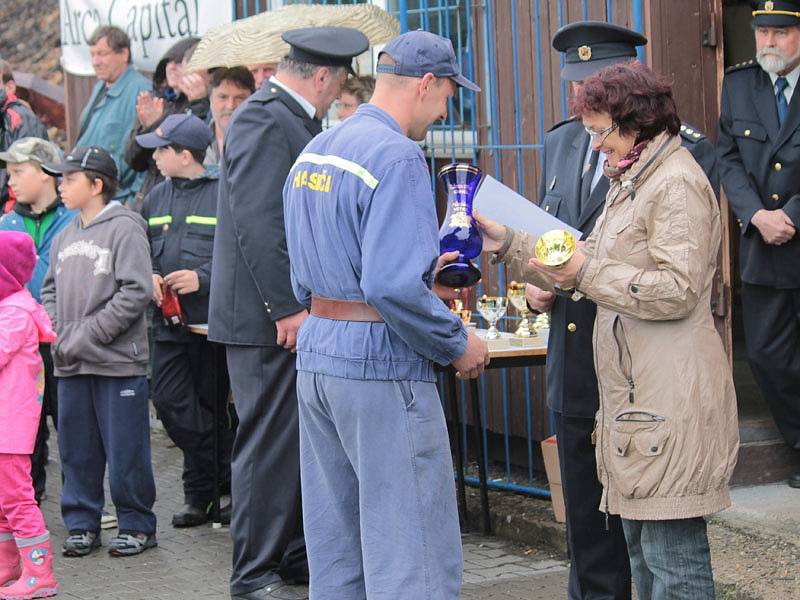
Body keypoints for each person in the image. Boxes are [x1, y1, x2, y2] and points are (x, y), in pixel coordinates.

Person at [482, 21, 720, 600]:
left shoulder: (674, 175)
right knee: (626, 544)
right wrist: (515, 244)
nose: (590, 142)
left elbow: (675, 286)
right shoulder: (626, 168)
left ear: (631, 115)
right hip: (614, 375)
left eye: (600, 127)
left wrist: (580, 274)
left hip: (656, 385)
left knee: (670, 557)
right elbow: (578, 247)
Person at [283, 30, 488, 600]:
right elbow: (390, 286)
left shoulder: (317, 150)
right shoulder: (398, 155)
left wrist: (420, 277)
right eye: (448, 94)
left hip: (320, 355)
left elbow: (304, 275)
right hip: (380, 366)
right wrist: (455, 341)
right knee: (411, 551)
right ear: (425, 83)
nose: (447, 108)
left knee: (338, 545)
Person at [208, 26, 369, 600]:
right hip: (263, 317)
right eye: (339, 82)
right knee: (267, 441)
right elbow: (258, 221)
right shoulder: (262, 118)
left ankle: (292, 553)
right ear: (323, 76)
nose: (336, 95)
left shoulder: (285, 118)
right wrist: (287, 308)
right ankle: (252, 572)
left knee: (295, 440)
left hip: (278, 313)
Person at [40, 146, 157, 558]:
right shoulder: (66, 232)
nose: (61, 185)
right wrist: (58, 333)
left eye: (69, 178)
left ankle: (137, 524)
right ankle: (82, 523)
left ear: (96, 184)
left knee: (126, 450)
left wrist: (89, 334)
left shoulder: (125, 228)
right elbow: (49, 290)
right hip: (71, 363)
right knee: (77, 450)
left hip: (117, 364)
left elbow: (136, 290)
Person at [136, 113, 235, 528]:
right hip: (170, 324)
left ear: (184, 154)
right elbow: (144, 250)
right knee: (171, 404)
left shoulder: (221, 194)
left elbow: (238, 255)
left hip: (211, 324)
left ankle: (202, 496)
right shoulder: (155, 197)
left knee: (210, 406)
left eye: (162, 149)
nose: (154, 157)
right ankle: (231, 470)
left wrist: (203, 278)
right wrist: (151, 274)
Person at [717, 0, 800, 487]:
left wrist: (790, 214)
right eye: (762, 33)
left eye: (780, 34)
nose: (768, 42)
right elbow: (728, 157)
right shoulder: (740, 83)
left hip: (791, 226)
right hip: (764, 245)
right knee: (768, 355)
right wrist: (756, 215)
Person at [0, 137, 75, 506]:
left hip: (64, 338)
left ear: (47, 174)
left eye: (18, 172)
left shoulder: (75, 218)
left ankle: (81, 507)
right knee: (25, 431)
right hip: (19, 345)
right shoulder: (6, 223)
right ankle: (26, 502)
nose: (10, 180)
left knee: (72, 425)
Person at [0, 231, 58, 600]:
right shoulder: (10, 309)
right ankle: (9, 564)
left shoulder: (16, 313)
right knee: (4, 499)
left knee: (18, 499)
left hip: (10, 427)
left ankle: (40, 573)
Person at [125, 37, 210, 210]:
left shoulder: (208, 102)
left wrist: (199, 105)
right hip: (150, 199)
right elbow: (133, 161)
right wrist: (150, 126)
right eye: (168, 62)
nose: (171, 67)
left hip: (186, 201)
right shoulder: (157, 101)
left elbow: (197, 149)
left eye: (179, 62)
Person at [76, 26, 151, 206]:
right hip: (92, 197)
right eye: (92, 54)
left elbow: (148, 150)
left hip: (115, 200)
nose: (95, 61)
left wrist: (133, 199)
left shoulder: (141, 91)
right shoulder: (101, 87)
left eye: (102, 54)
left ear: (124, 54)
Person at [0, 60, 49, 213]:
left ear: (10, 87)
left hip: (14, 214)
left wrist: (8, 219)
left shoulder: (18, 118)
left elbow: (23, 174)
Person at [204, 67, 256, 167]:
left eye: (239, 98)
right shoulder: (195, 142)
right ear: (210, 100)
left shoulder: (263, 142)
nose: (230, 105)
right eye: (223, 97)